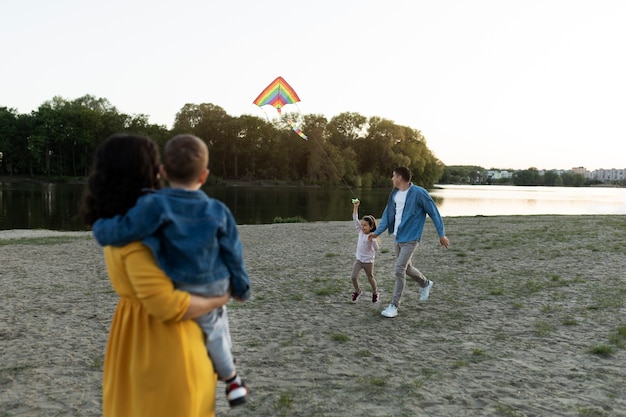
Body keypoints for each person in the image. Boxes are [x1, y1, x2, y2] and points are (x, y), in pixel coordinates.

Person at [91, 134, 251, 407]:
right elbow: (231, 255)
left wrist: (98, 227)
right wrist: (230, 293)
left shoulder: (137, 220)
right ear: (204, 175)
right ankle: (232, 378)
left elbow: (115, 233)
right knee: (217, 327)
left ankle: (231, 377)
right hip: (178, 331)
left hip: (138, 336)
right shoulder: (215, 210)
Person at [369, 167, 449, 318]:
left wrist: (441, 234)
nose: (392, 179)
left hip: (412, 238)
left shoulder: (419, 193)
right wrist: (376, 233)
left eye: (393, 176)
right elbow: (387, 215)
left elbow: (434, 212)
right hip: (398, 237)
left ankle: (394, 306)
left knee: (399, 269)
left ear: (400, 178)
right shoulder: (394, 194)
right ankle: (425, 283)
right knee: (407, 268)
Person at [350, 199, 380, 303]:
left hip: (368, 261)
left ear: (371, 227)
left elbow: (377, 249)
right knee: (353, 277)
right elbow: (355, 218)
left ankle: (375, 292)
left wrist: (373, 240)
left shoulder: (372, 236)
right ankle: (357, 291)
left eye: (365, 225)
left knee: (370, 278)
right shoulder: (360, 231)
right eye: (362, 225)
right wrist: (356, 207)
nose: (362, 227)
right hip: (359, 260)